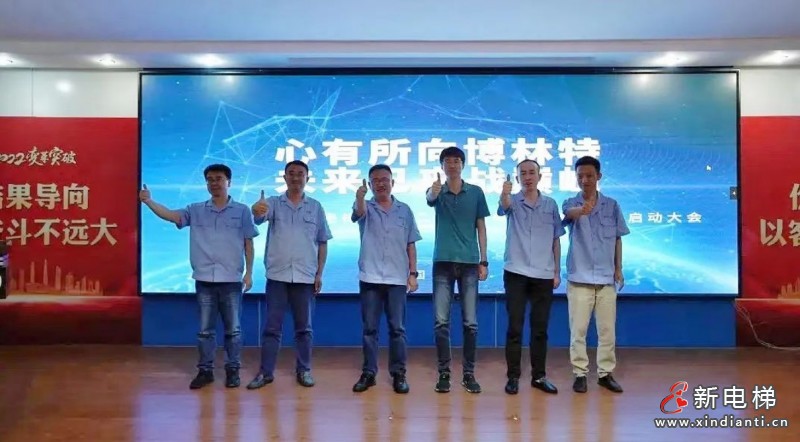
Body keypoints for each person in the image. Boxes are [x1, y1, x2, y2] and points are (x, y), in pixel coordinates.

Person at [139, 163, 258, 390]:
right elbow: (172, 216)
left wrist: (249, 273)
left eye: (219, 179)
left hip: (231, 280)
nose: (214, 183)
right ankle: (205, 371)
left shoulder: (242, 210)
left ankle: (233, 371)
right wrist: (149, 202)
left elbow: (248, 243)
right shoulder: (195, 209)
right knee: (205, 331)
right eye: (210, 179)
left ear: (229, 182)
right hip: (204, 279)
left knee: (233, 330)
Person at [246, 160, 332, 390]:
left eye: (300, 174)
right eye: (291, 174)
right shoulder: (273, 203)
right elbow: (259, 217)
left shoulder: (316, 207)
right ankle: (266, 373)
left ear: (307, 178)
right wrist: (256, 211)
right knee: (272, 328)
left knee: (304, 329)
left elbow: (323, 242)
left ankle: (304, 370)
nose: (295, 177)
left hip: (305, 277)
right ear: (284, 178)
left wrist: (319, 273)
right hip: (277, 276)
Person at [350, 164, 422, 394]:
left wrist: (413, 274)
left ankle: (399, 374)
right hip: (370, 277)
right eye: (376, 180)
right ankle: (369, 373)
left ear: (393, 182)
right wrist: (360, 197)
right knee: (370, 329)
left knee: (397, 329)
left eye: (385, 179)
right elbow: (358, 213)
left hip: (397, 278)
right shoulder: (365, 207)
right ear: (370, 185)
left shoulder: (405, 210)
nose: (381, 183)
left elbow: (411, 244)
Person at [562, 155, 629, 394]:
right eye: (580, 176)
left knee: (607, 331)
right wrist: (582, 210)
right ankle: (580, 373)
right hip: (579, 279)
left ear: (598, 176)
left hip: (606, 279)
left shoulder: (612, 205)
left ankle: (605, 374)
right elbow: (568, 215)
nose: (585, 180)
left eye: (589, 175)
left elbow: (618, 238)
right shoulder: (570, 202)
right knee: (578, 331)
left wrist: (618, 268)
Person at [425, 146, 490, 394]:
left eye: (456, 161)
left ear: (462, 164)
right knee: (441, 322)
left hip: (470, 263)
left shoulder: (476, 192)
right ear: (442, 166)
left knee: (470, 323)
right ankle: (444, 373)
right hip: (442, 262)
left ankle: (468, 374)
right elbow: (430, 198)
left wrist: (484, 260)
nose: (452, 165)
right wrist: (434, 191)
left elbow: (481, 227)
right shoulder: (437, 191)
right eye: (447, 161)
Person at [498, 160, 565, 395]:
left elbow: (556, 239)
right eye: (523, 174)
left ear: (539, 176)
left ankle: (539, 376)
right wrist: (504, 193)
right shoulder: (512, 201)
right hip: (515, 272)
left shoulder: (550, 204)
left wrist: (557, 271)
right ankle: (513, 376)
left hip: (543, 274)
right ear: (517, 178)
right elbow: (504, 206)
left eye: (531, 173)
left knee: (540, 329)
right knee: (515, 327)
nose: (527, 177)